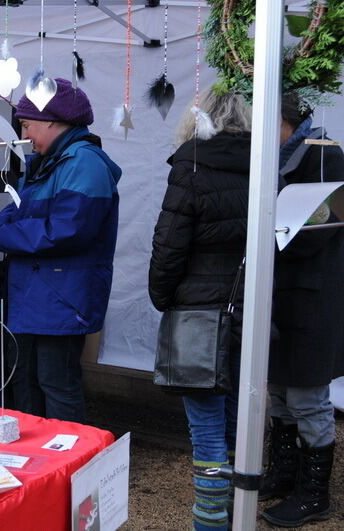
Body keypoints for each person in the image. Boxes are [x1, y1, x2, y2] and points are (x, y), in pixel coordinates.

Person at [0, 78, 122, 423]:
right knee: (24, 381)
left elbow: (67, 231)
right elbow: (18, 210)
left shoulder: (84, 163)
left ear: (52, 121)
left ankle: (68, 464)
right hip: (33, 295)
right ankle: (32, 459)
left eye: (27, 125)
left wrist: (0, 236)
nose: (25, 134)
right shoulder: (47, 162)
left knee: (57, 383)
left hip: (62, 296)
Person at [148, 89, 252, 531]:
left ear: (198, 119)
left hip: (198, 314)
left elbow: (168, 247)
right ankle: (229, 517)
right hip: (250, 309)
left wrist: (162, 298)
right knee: (232, 424)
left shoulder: (190, 167)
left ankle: (211, 522)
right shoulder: (267, 166)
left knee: (206, 428)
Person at [259, 94, 344, 528]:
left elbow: (319, 228)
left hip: (312, 296)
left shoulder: (325, 156)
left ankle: (315, 494)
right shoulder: (275, 157)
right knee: (278, 390)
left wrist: (262, 236)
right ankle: (285, 473)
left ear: (282, 120)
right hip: (281, 293)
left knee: (308, 398)